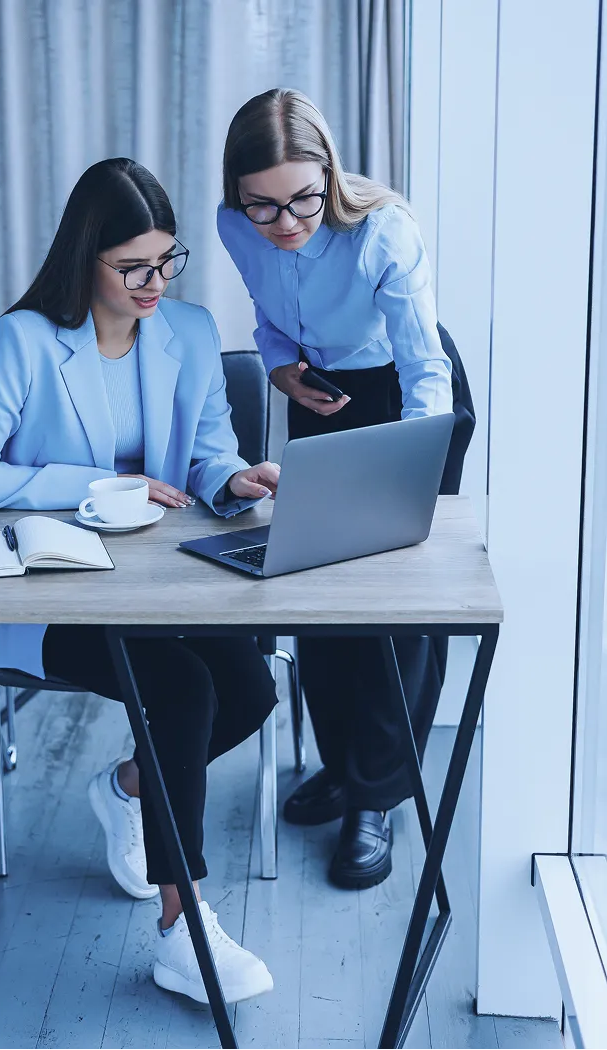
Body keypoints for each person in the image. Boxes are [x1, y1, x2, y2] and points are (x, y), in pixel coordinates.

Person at [0, 158, 280, 1004]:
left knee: (249, 691)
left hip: (158, 583)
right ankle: (182, 928)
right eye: (134, 268)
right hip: (51, 590)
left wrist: (231, 479)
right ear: (85, 258)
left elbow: (209, 453)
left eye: (167, 261)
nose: (156, 283)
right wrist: (96, 484)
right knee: (181, 690)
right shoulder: (27, 340)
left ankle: (129, 787)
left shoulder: (189, 332)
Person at [217, 88, 475, 890]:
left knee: (396, 599)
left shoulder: (383, 231)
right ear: (237, 197)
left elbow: (426, 366)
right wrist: (280, 366)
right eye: (263, 206)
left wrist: (412, 464)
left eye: (303, 199)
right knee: (315, 586)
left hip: (407, 395)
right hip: (321, 392)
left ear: (329, 173)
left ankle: (378, 795)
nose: (285, 223)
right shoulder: (236, 226)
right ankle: (344, 763)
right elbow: (269, 319)